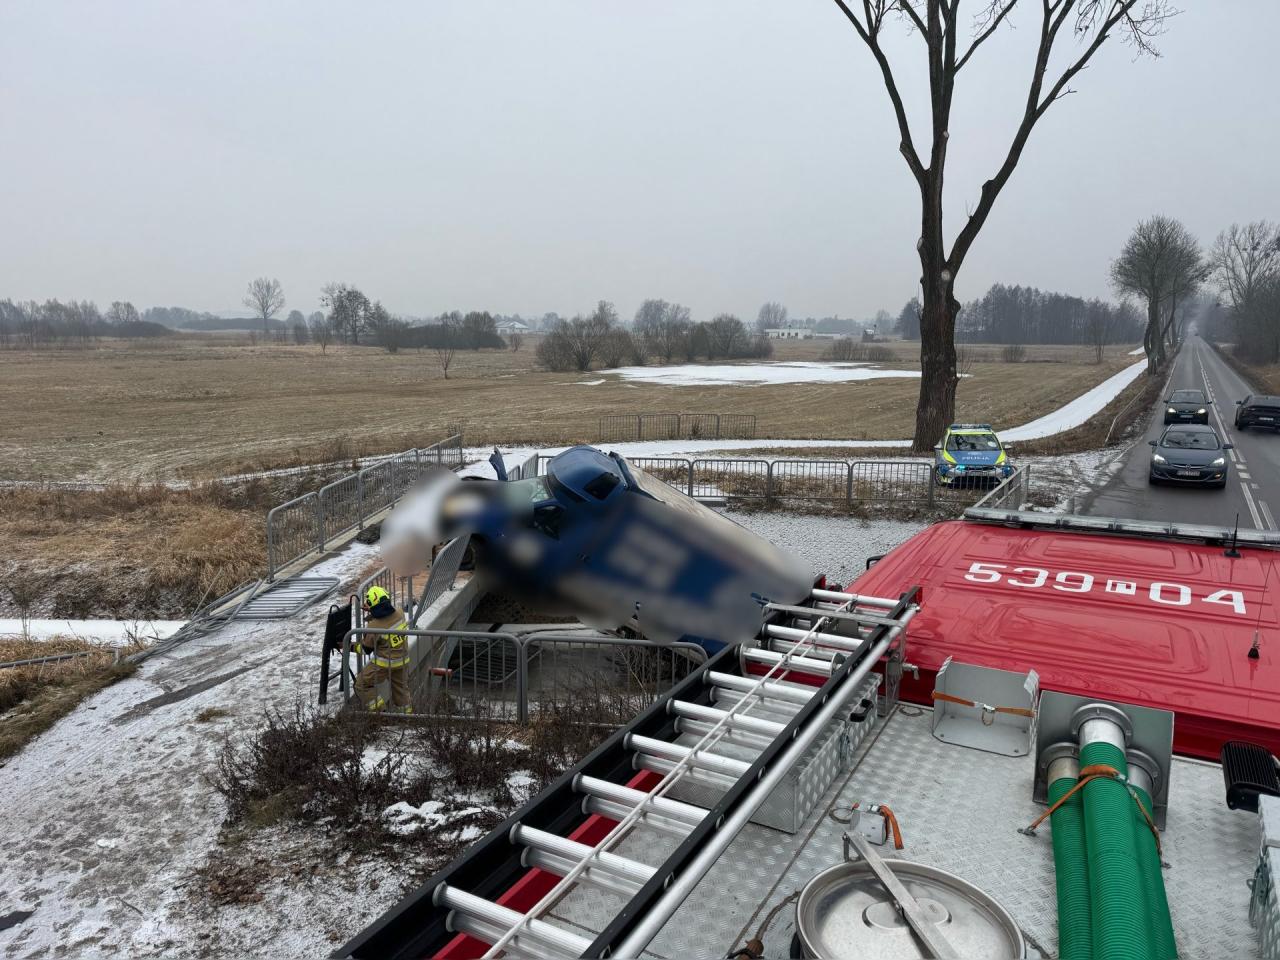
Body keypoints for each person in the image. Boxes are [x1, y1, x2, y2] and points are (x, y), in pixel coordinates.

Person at [353, 586, 411, 713]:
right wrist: (372, 611)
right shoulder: (400, 613)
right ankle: (407, 719)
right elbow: (385, 619)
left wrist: (348, 646)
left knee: (361, 685)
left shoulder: (373, 626)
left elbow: (365, 650)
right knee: (401, 692)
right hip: (403, 660)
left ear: (370, 604)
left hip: (384, 664)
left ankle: (381, 713)